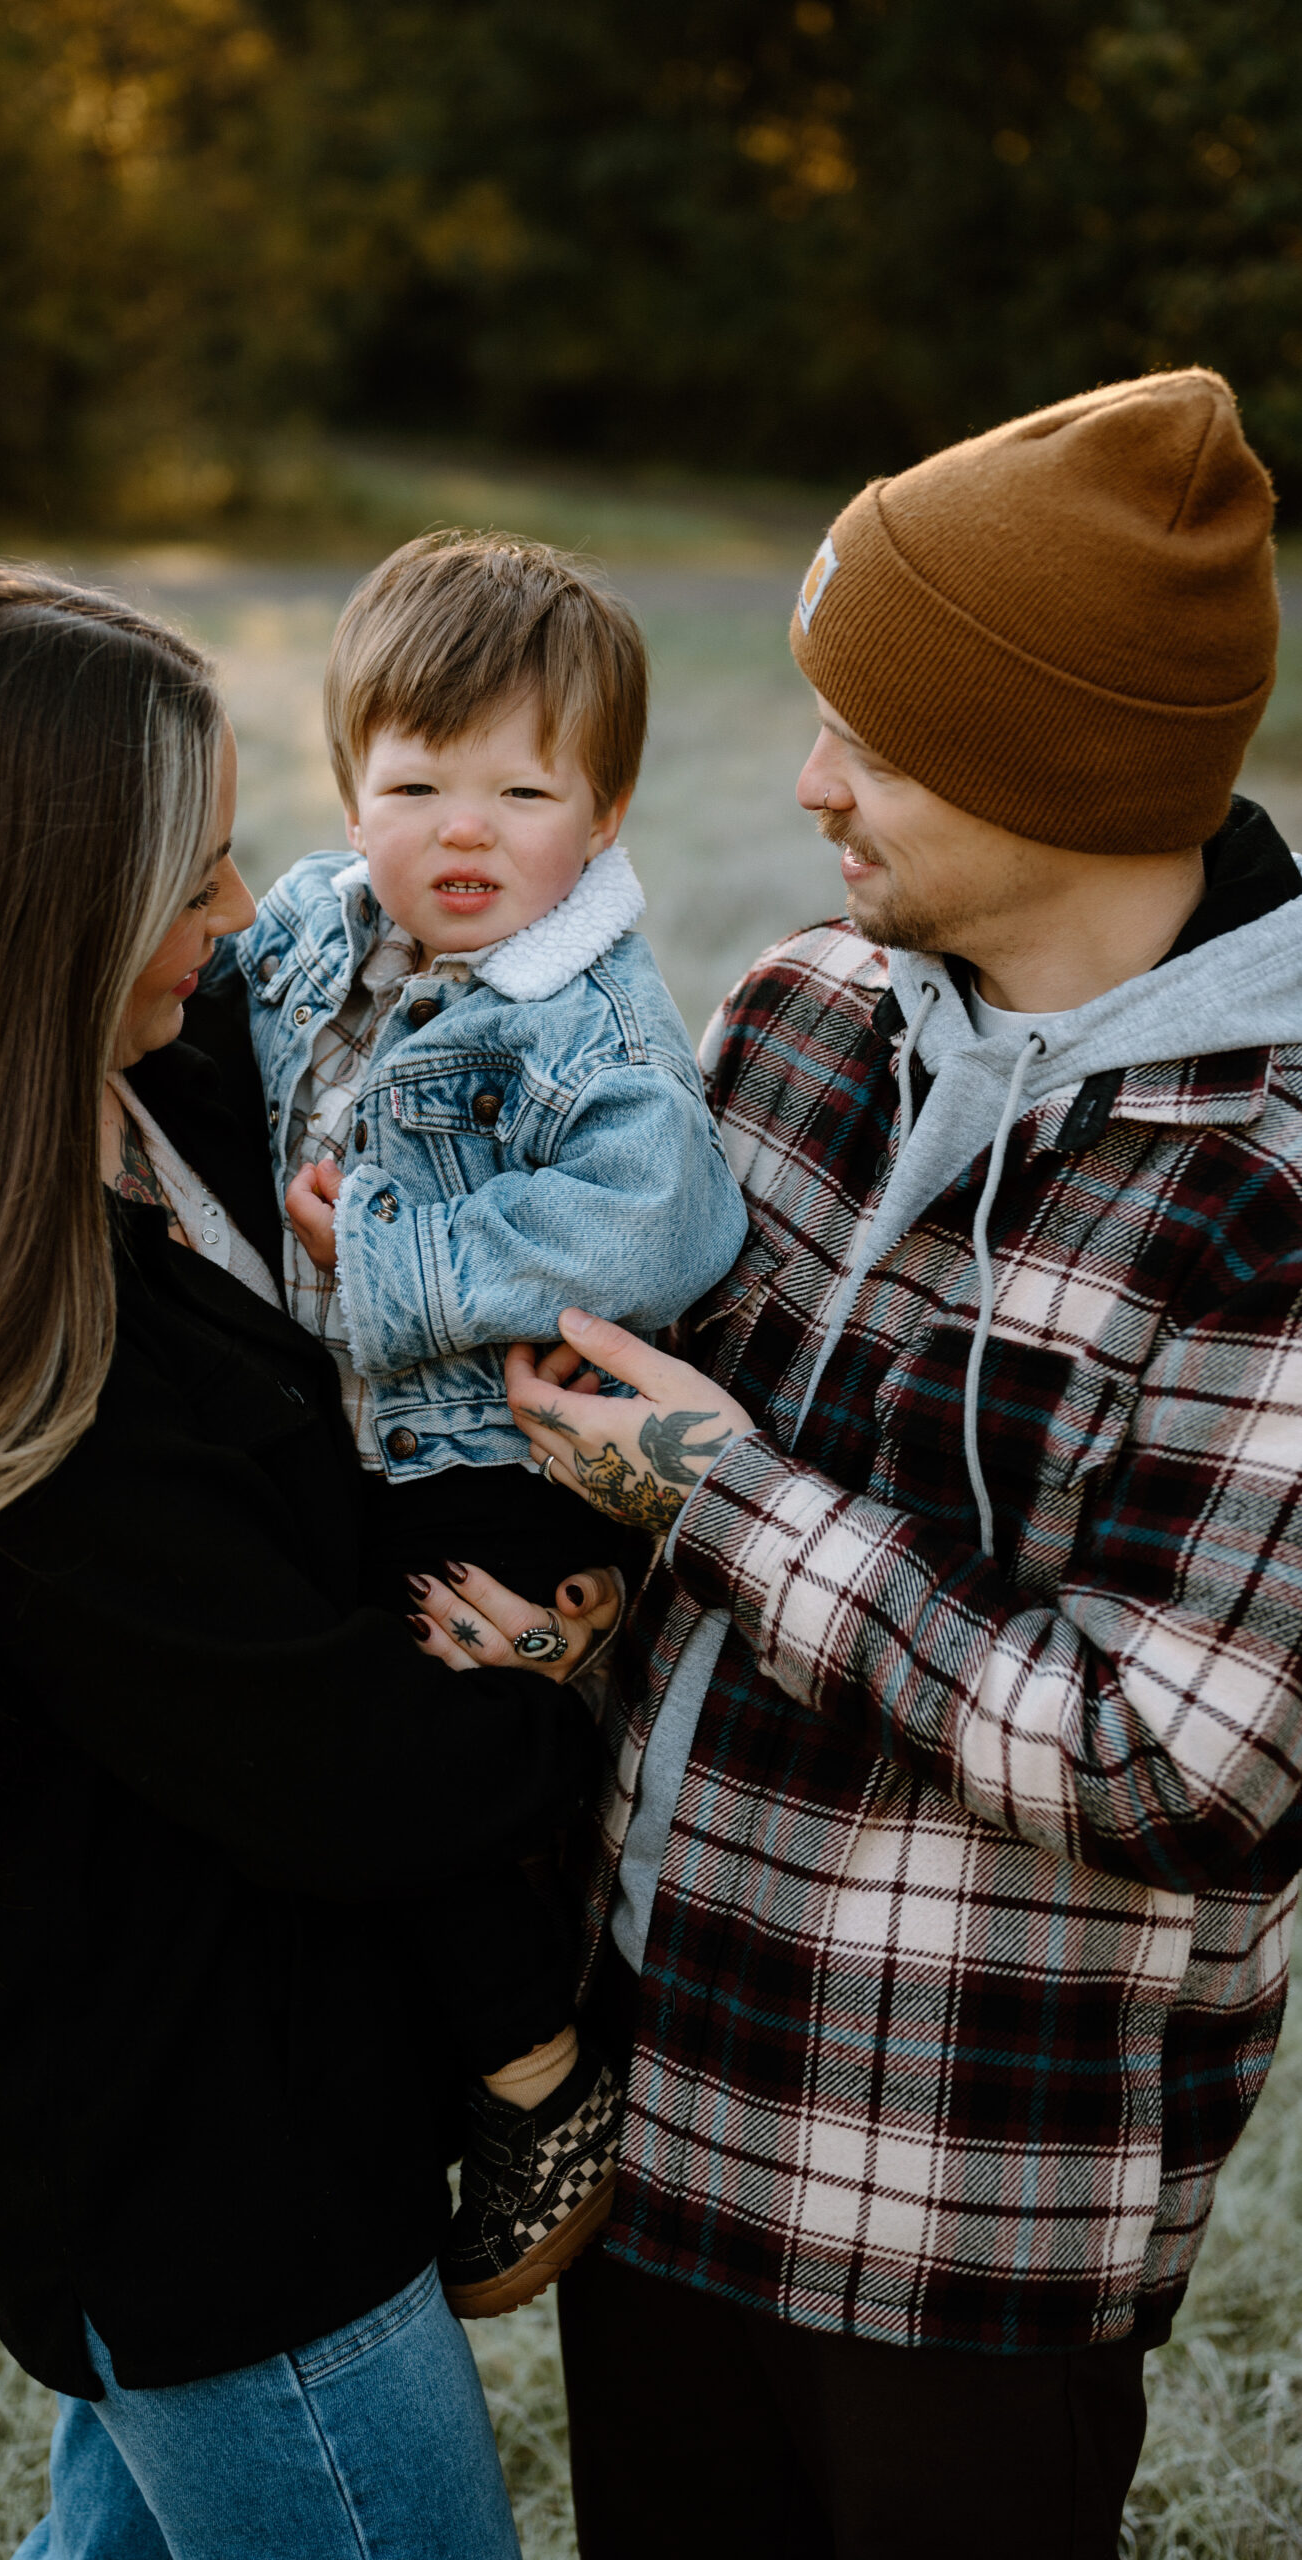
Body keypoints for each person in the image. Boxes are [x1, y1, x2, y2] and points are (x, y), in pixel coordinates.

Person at [414, 367, 1302, 2557]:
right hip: (653, 2126)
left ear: (1060, 759)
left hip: (954, 2224)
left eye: (875, 739)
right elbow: (623, 1419)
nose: (810, 783)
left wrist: (720, 1490)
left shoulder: (1273, 1189)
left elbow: (1186, 1764)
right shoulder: (800, 1002)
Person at [0, 561, 622, 2560]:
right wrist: (592, 1596)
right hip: (211, 2169)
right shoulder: (8, 1362)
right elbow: (360, 1766)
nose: (235, 912)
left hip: (246, 2075)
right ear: (32, 925)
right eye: (185, 878)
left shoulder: (150, 1089)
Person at [213, 529, 748, 2316]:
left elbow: (661, 1224)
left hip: (503, 1465)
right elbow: (208, 1034)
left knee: (420, 1752)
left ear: (601, 815)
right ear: (348, 779)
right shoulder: (312, 924)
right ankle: (454, 2053)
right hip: (354, 1442)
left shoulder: (590, 1021)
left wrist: (393, 1249)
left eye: (522, 788)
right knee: (335, 1748)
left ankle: (542, 2077)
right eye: (413, 780)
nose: (462, 830)